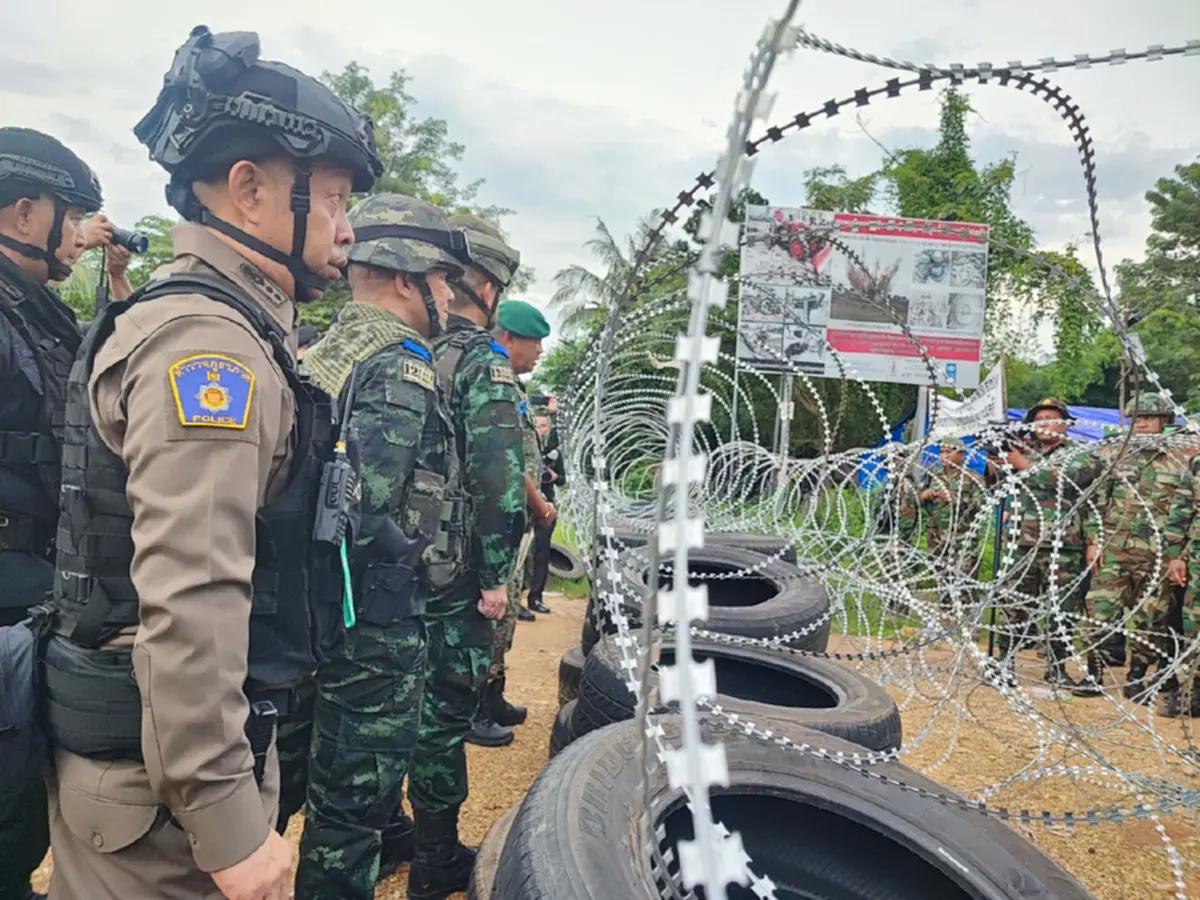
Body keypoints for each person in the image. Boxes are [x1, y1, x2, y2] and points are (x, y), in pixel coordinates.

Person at [38, 25, 381, 900]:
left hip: (162, 777)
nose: (346, 231)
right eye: (336, 200)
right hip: (165, 807)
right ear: (249, 190)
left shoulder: (228, 325)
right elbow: (190, 594)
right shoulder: (210, 346)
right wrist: (228, 821)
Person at [294, 193, 468, 900]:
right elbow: (365, 514)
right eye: (444, 280)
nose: (451, 296)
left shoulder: (332, 346)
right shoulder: (401, 366)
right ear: (408, 278)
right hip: (369, 627)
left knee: (315, 790)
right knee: (352, 814)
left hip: (313, 613)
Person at [404, 213, 524, 898]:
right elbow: (499, 482)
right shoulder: (482, 361)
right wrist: (494, 577)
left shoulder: (403, 349)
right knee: (444, 714)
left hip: (386, 573)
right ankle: (437, 856)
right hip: (452, 576)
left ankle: (393, 830)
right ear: (485, 285)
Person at [0, 126, 102, 900]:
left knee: (21, 798)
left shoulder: (37, 311)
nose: (78, 236)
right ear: (23, 214)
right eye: (70, 218)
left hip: (30, 587)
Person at [478, 300, 553, 737]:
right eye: (535, 341)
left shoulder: (516, 388)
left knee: (506, 615)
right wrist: (539, 504)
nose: (540, 351)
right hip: (505, 517)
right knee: (493, 614)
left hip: (516, 521)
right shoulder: (495, 382)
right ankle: (477, 707)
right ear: (507, 337)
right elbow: (505, 460)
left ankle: (493, 694)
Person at [1083, 392, 1187, 703]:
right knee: (1098, 611)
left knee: (1150, 620)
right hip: (1115, 549)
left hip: (1157, 554)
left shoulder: (1180, 460)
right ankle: (1093, 674)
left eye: (1148, 418)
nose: (1141, 424)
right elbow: (1097, 500)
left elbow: (1184, 510)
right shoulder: (1116, 454)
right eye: (1137, 419)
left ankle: (1137, 677)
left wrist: (1176, 555)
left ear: (1164, 422)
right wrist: (1093, 540)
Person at [1000, 398, 1100, 690]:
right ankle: (1005, 662)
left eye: (1051, 417)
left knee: (1061, 611)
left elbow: (1071, 479)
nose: (1044, 422)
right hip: (1022, 543)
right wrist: (1000, 462)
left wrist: (1023, 465)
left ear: (1066, 424)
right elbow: (998, 485)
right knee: (1014, 606)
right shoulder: (1021, 451)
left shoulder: (1081, 454)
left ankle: (1056, 668)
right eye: (1039, 417)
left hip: (1064, 544)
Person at [525, 408, 565, 616]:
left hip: (547, 506)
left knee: (541, 553)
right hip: (526, 505)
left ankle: (536, 597)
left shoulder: (553, 454)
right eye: (538, 425)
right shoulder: (526, 447)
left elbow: (563, 480)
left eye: (544, 426)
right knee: (522, 554)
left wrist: (554, 476)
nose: (541, 430)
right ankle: (520, 597)